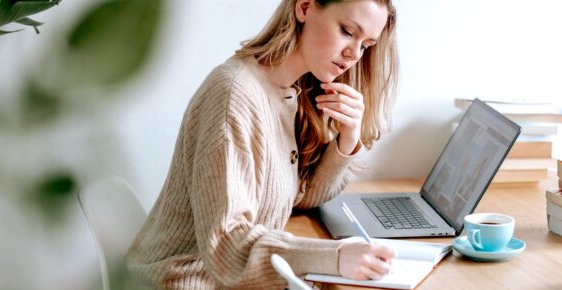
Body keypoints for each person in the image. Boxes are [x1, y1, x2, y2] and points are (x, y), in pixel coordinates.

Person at [126, 0, 400, 288]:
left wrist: (347, 140)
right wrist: (336, 257)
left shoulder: (289, 93)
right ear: (305, 7)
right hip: (185, 281)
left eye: (366, 45)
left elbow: (301, 197)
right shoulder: (234, 94)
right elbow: (225, 245)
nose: (354, 54)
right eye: (347, 31)